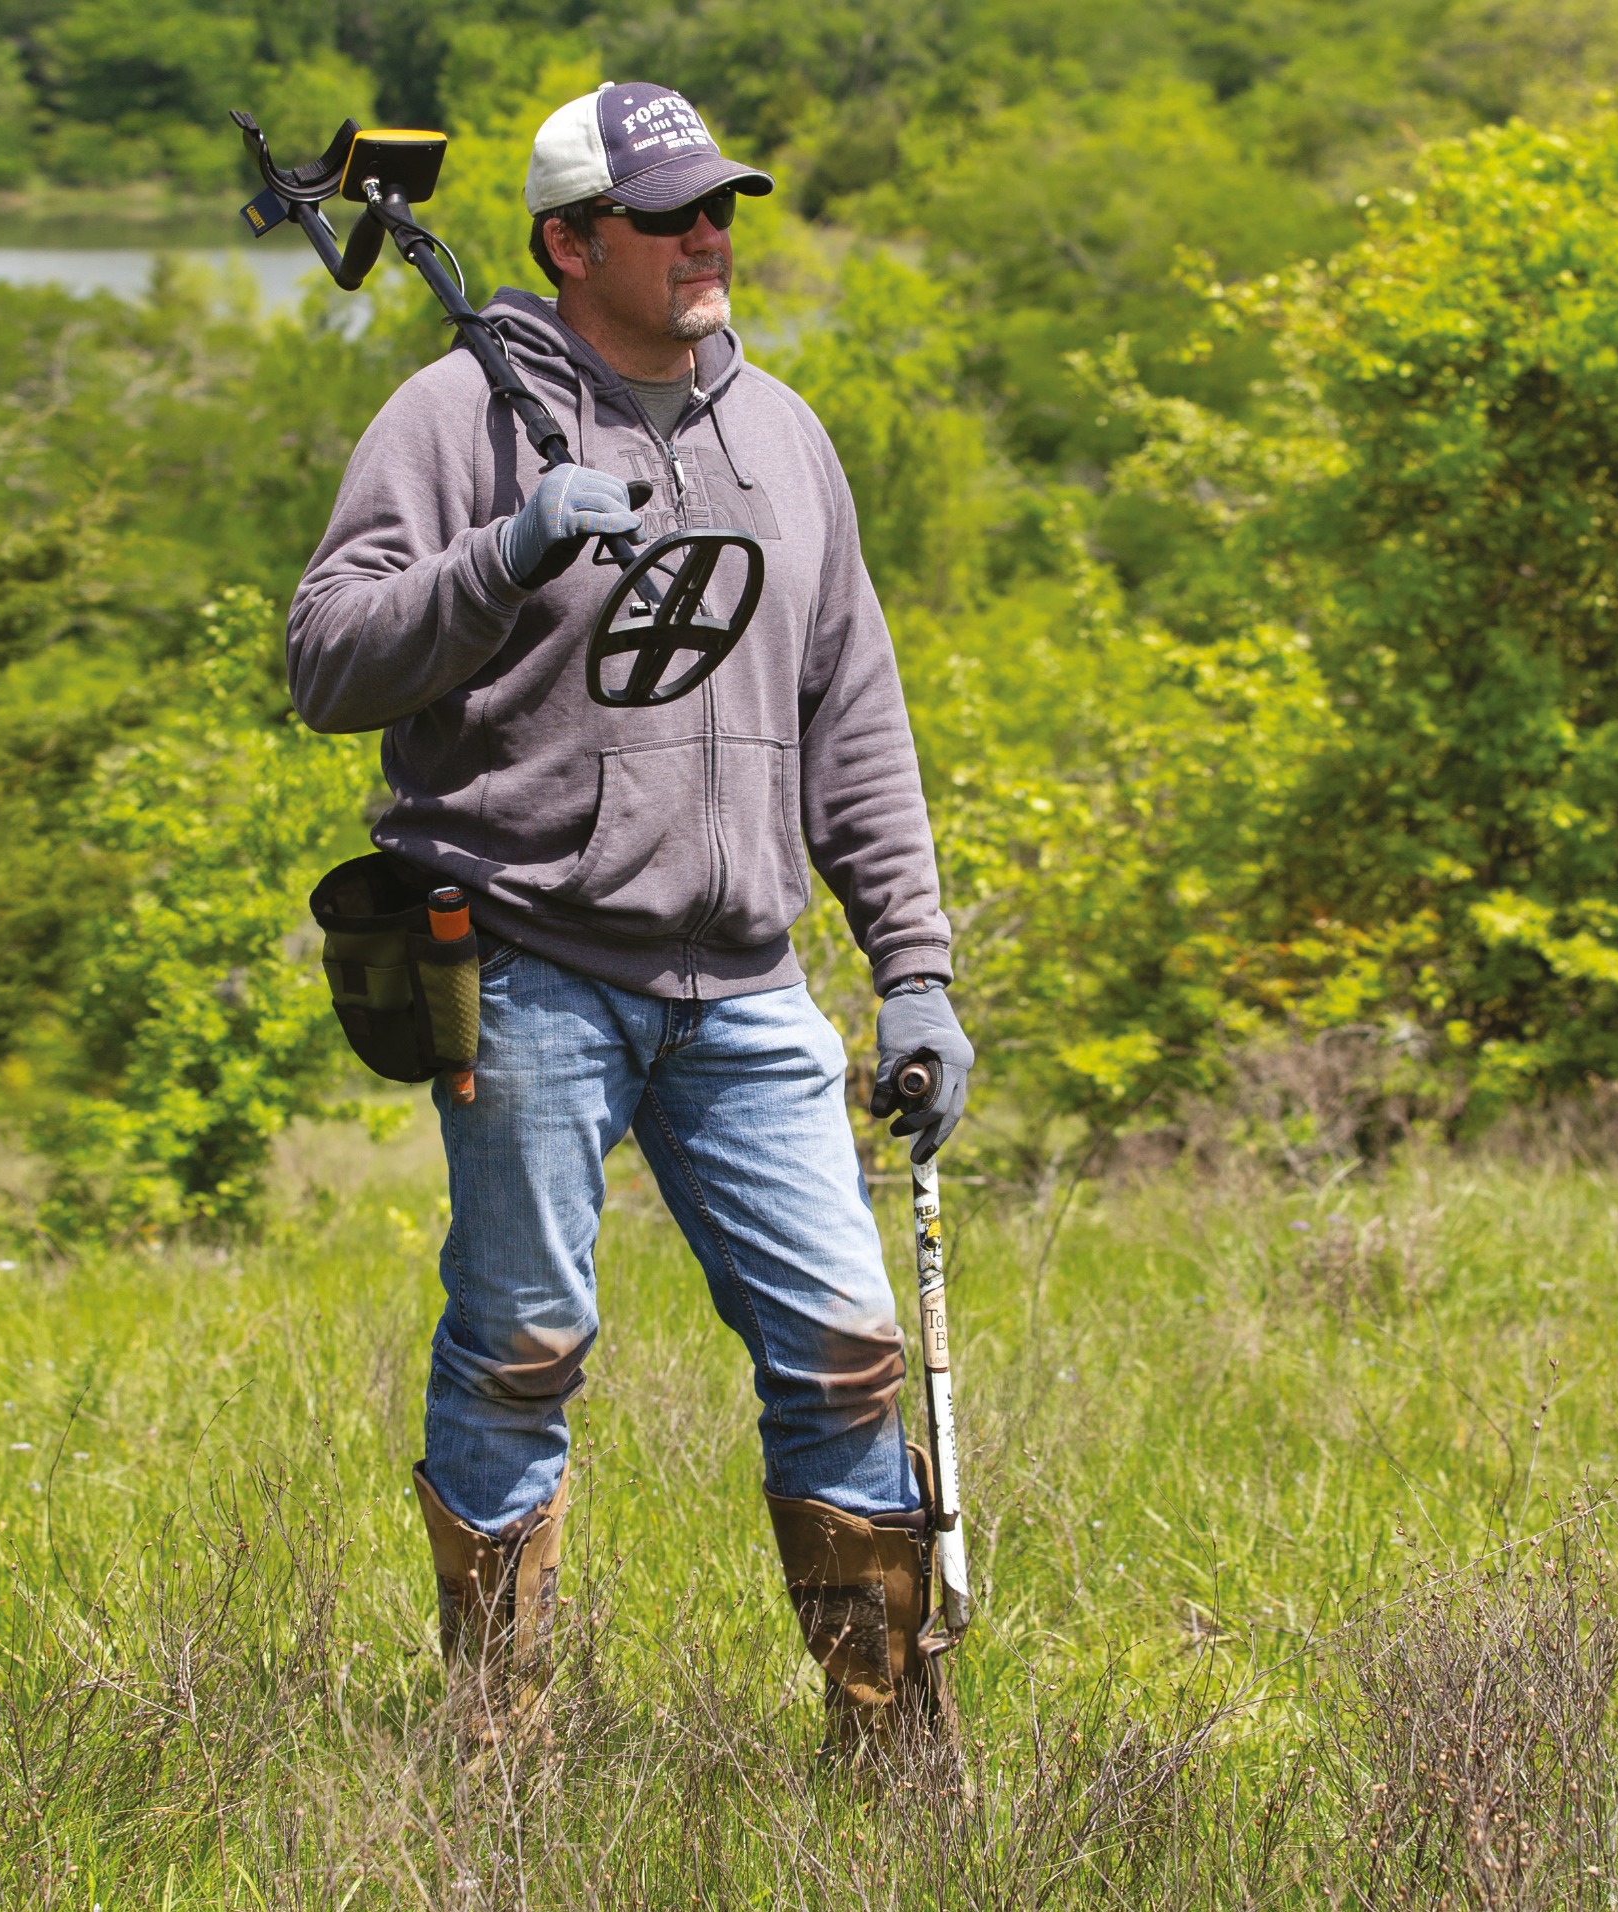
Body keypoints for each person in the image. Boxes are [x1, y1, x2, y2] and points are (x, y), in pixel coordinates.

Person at [287, 80, 974, 1757]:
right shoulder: (455, 417)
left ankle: (889, 1750)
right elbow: (328, 658)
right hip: (523, 962)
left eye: (719, 207)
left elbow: (853, 719)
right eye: (668, 218)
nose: (707, 239)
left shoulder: (785, 436)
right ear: (569, 243)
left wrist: (919, 976)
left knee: (846, 1353)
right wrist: (503, 556)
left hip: (746, 984)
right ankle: (499, 1746)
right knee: (526, 1342)